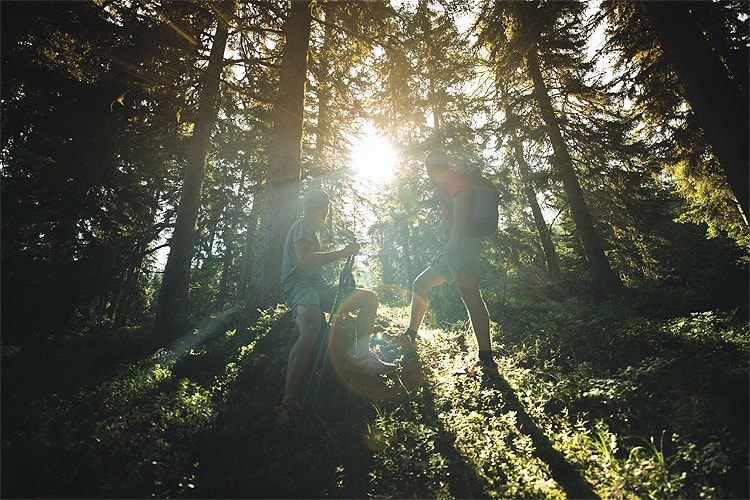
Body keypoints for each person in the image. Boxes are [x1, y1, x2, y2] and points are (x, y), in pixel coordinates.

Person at [276, 189, 394, 423]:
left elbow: (310, 253)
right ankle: (288, 400)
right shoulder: (303, 224)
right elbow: (305, 259)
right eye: (326, 209)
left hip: (318, 286)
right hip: (300, 286)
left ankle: (361, 357)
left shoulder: (311, 229)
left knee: (368, 298)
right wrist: (342, 252)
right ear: (323, 208)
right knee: (312, 325)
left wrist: (326, 245)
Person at [390, 151, 498, 375]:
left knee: (451, 291)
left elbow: (462, 202)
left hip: (461, 245)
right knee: (447, 291)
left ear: (430, 168)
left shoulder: (448, 177)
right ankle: (486, 361)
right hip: (464, 246)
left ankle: (485, 361)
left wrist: (454, 240)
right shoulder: (451, 177)